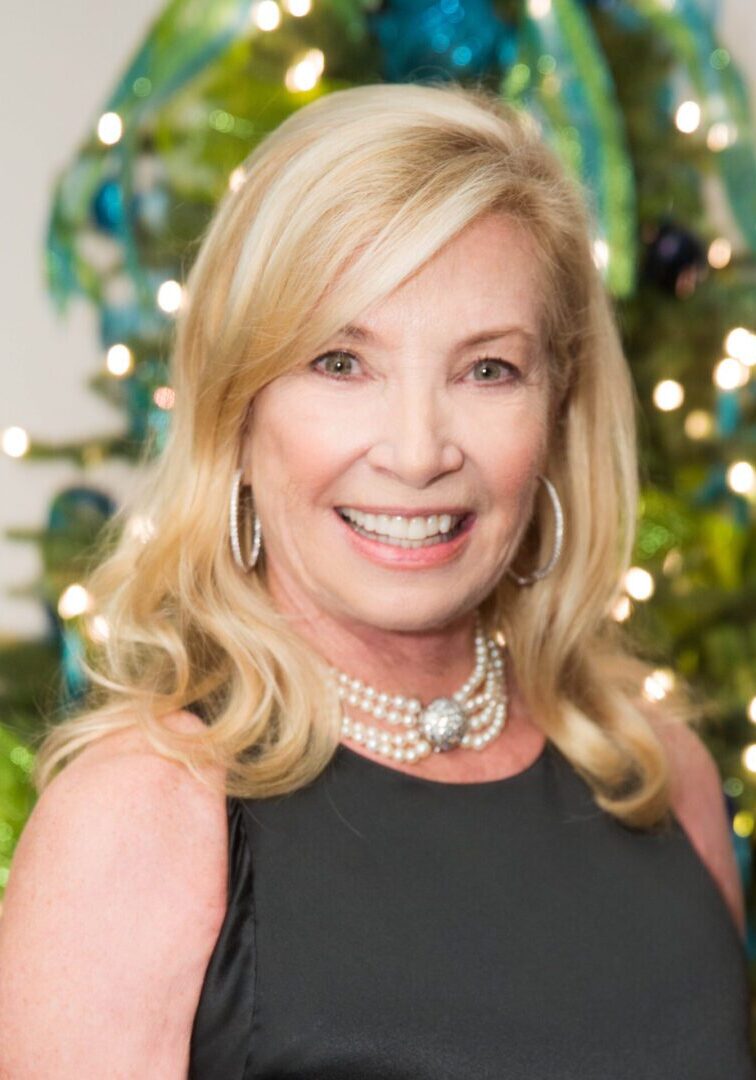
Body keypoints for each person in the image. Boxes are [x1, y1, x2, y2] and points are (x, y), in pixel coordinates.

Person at [0, 81, 752, 1079]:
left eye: (487, 370)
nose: (415, 452)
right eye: (340, 362)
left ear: (556, 415)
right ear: (240, 410)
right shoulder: (140, 817)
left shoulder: (659, 776)